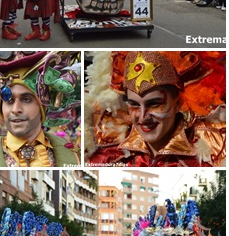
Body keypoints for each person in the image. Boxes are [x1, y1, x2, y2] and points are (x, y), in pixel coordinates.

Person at [86, 51, 226, 166]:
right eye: (134, 104)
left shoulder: (215, 147)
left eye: (154, 104)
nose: (142, 117)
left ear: (177, 103)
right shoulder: (102, 141)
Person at [0, 52, 81, 166]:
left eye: (26, 99)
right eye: (9, 100)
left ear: (43, 105)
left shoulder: (78, 158)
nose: (16, 109)